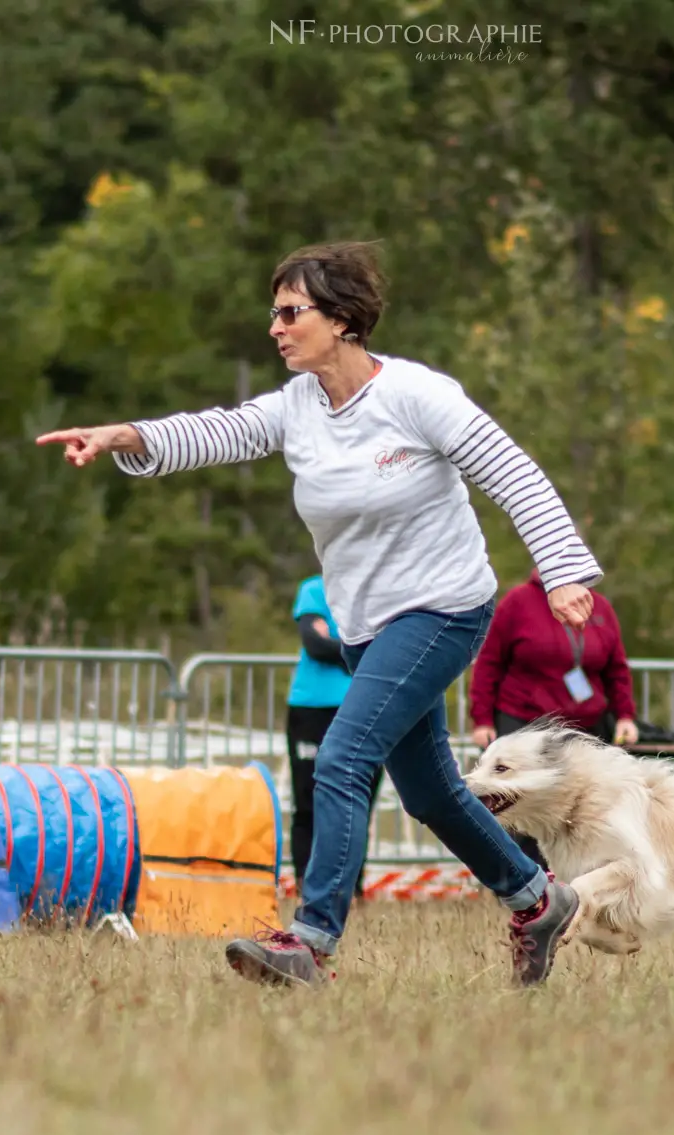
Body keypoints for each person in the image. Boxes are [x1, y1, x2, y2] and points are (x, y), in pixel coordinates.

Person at [38, 241, 600, 988]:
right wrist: (122, 437)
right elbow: (217, 430)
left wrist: (563, 572)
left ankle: (311, 939)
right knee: (432, 792)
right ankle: (538, 899)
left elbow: (514, 473)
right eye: (272, 313)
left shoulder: (417, 395)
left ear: (341, 320)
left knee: (341, 757)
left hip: (442, 608)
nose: (275, 327)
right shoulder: (298, 404)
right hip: (366, 625)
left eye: (290, 312)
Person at [467, 569, 639, 869]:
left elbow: (616, 669)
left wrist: (625, 715)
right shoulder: (516, 604)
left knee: (582, 812)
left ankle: (579, 884)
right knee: (517, 811)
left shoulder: (600, 607)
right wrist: (482, 719)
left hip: (582, 729)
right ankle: (522, 885)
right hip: (522, 724)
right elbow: (489, 663)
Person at [285, 573, 383, 890]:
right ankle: (305, 882)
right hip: (311, 708)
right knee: (309, 797)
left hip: (365, 705)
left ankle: (351, 887)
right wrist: (360, 649)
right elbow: (315, 644)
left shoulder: (376, 589)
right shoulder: (314, 588)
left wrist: (339, 644)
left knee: (359, 799)